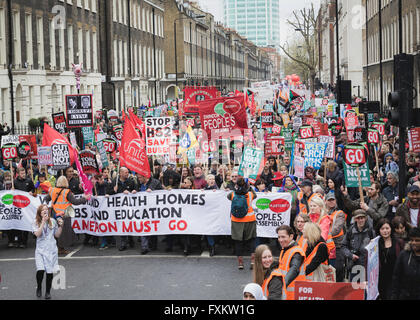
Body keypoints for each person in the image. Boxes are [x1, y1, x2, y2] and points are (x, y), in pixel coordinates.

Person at [44, 176, 89, 254]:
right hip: (63, 214)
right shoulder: (67, 192)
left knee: (54, 230)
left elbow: (46, 199)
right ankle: (60, 248)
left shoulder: (52, 190)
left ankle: (55, 248)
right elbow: (75, 202)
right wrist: (84, 198)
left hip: (53, 213)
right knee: (63, 232)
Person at [32, 204, 64, 299]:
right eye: (43, 210)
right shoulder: (35, 222)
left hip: (51, 250)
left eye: (46, 210)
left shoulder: (53, 221)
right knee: (40, 270)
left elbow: (57, 235)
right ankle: (39, 287)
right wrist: (43, 222)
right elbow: (37, 234)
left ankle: (47, 292)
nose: (45, 211)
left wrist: (61, 226)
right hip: (40, 251)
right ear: (39, 212)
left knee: (49, 272)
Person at [227, 176, 257, 270]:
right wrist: (249, 187)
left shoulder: (232, 194)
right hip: (250, 220)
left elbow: (228, 196)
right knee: (251, 240)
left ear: (236, 185)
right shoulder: (250, 194)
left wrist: (235, 188)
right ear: (246, 185)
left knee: (238, 242)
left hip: (237, 221)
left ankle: (240, 263)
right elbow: (255, 195)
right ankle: (252, 261)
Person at [106, 166, 137, 251]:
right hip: (118, 209)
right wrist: (113, 191)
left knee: (129, 223)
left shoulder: (131, 181)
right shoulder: (114, 182)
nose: (127, 174)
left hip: (129, 207)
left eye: (127, 172)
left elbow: (136, 190)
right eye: (126, 172)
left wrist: (133, 192)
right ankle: (123, 243)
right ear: (121, 173)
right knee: (122, 224)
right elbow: (108, 193)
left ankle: (130, 240)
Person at [340, 209, 375, 281]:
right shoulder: (351, 231)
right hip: (354, 265)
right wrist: (350, 255)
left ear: (365, 218)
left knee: (366, 288)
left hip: (367, 265)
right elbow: (343, 246)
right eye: (358, 218)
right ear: (355, 219)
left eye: (362, 218)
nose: (360, 220)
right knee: (354, 288)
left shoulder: (370, 230)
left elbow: (376, 247)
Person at [134, 171, 163, 254]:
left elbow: (161, 193)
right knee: (143, 226)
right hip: (142, 210)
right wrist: (134, 192)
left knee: (152, 227)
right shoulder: (139, 184)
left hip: (153, 209)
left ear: (145, 177)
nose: (138, 179)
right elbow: (136, 191)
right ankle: (144, 247)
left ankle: (152, 245)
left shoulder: (155, 182)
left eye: (140, 177)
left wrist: (152, 191)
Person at [376, 218, 404, 300]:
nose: (385, 231)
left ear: (391, 229)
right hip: (381, 278)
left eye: (387, 228)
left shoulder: (399, 242)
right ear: (379, 230)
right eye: (382, 229)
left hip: (395, 277)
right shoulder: (375, 243)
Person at [8, 167, 36, 248]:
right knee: (19, 223)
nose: (24, 174)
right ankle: (19, 240)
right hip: (18, 206)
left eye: (24, 173)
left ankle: (24, 242)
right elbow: (12, 194)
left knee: (26, 222)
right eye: (22, 173)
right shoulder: (15, 182)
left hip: (27, 206)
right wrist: (12, 190)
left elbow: (33, 189)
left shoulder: (29, 181)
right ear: (18, 174)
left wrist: (32, 192)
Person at [276, 225, 306, 299]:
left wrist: (283, 285)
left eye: (283, 237)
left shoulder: (296, 252)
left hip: (293, 294)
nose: (280, 240)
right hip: (286, 293)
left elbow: (294, 269)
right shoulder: (285, 249)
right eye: (279, 237)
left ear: (291, 236)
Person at [391, 227, 420, 300]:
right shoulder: (404, 255)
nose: (413, 243)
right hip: (405, 295)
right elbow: (396, 277)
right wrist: (394, 295)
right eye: (412, 240)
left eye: (417, 240)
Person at [325, 193, 347, 281]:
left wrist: (323, 235)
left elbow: (337, 229)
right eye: (329, 200)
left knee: (338, 270)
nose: (331, 202)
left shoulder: (340, 213)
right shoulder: (323, 213)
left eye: (332, 200)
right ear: (325, 202)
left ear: (336, 201)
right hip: (326, 246)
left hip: (337, 246)